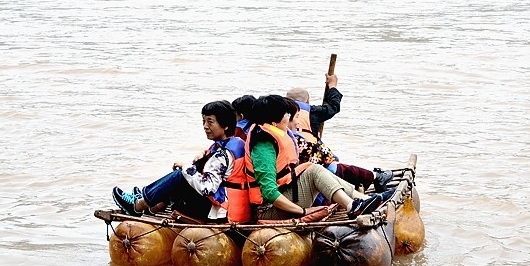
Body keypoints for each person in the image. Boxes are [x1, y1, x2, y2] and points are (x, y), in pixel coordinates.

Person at [245, 95, 394, 220]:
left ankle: (363, 200)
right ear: (274, 122)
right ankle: (353, 206)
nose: (289, 118)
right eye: (287, 115)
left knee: (313, 168)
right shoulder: (263, 146)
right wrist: (303, 212)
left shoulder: (271, 136)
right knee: (314, 171)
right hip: (269, 211)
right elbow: (269, 192)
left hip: (284, 196)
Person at [112, 100, 250, 223]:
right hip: (235, 208)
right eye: (203, 121)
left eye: (210, 122)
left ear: (225, 125)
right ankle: (150, 203)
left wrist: (186, 167)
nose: (205, 126)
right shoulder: (238, 143)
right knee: (187, 172)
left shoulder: (222, 154)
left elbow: (207, 188)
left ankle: (138, 205)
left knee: (182, 175)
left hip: (221, 212)